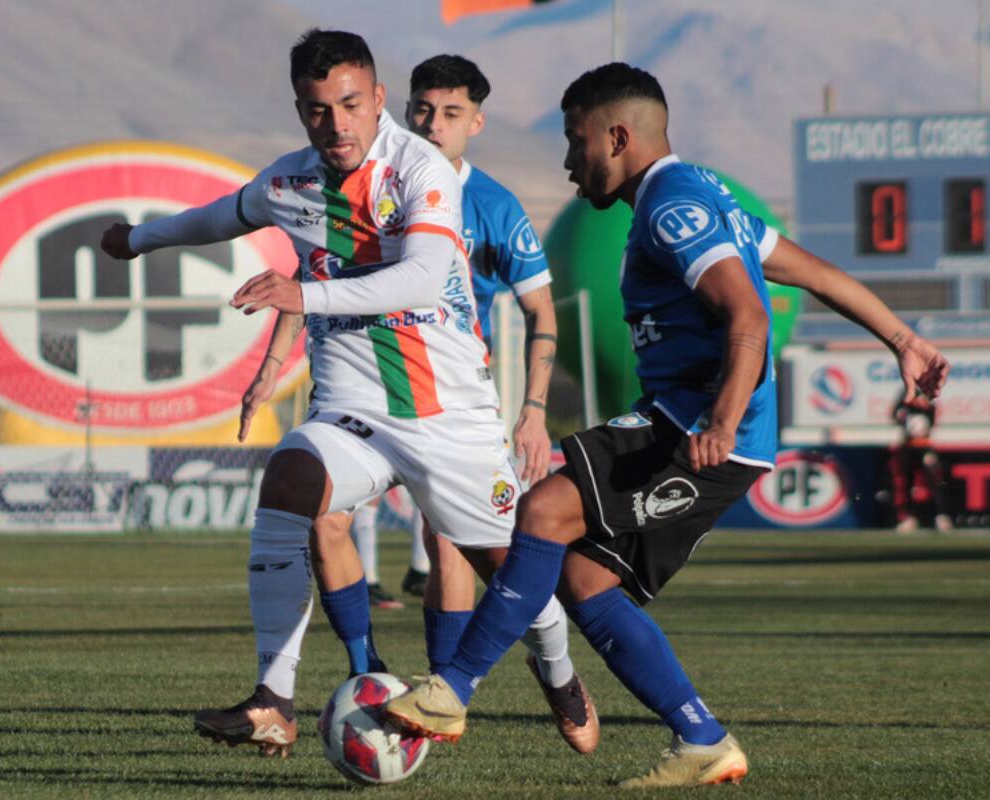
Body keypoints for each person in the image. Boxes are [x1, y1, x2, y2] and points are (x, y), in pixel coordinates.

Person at [386, 62, 951, 788]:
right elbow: (811, 273)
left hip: (699, 425)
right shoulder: (704, 192)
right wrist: (903, 340)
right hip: (711, 428)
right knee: (586, 578)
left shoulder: (670, 205)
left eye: (573, 139)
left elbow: (747, 313)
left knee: (545, 507)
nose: (566, 161)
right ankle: (703, 739)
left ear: (618, 136)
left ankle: (452, 690)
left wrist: (719, 418)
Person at [100, 30, 593, 758]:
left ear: (378, 100)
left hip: (446, 413)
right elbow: (217, 215)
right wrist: (139, 240)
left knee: (502, 561)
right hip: (352, 410)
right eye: (316, 109)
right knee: (290, 479)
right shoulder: (291, 182)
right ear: (300, 110)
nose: (335, 124)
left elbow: (424, 276)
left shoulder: (421, 168)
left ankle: (556, 667)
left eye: (350, 104)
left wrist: (305, 293)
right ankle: (274, 697)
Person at [310, 51, 585, 747]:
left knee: (459, 544)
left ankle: (480, 681)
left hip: (451, 399)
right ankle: (365, 672)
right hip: (359, 391)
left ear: (477, 122)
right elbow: (309, 271)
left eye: (452, 113)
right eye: (423, 110)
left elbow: (542, 311)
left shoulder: (491, 205)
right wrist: (275, 361)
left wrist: (532, 410)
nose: (433, 125)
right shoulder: (360, 179)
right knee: (322, 516)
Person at [889, 390, 953, 533]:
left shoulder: (928, 406)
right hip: (908, 447)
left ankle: (940, 516)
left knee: (932, 483)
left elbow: (930, 421)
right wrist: (905, 400)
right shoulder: (906, 406)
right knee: (907, 484)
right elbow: (895, 415)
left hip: (924, 447)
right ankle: (909, 518)